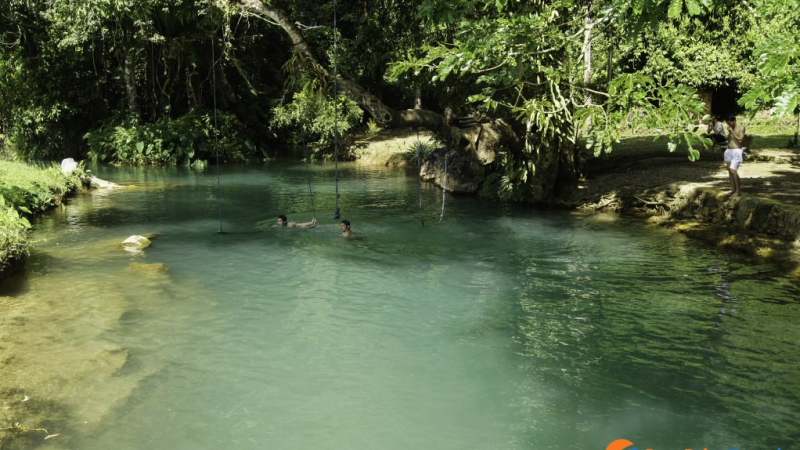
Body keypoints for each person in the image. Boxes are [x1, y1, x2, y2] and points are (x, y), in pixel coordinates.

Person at [723, 114, 746, 197]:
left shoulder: (741, 127)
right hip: (729, 150)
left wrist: (732, 132)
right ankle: (733, 189)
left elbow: (740, 139)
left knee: (733, 170)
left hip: (737, 151)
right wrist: (730, 133)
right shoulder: (730, 128)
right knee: (729, 171)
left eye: (729, 123)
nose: (728, 125)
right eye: (727, 123)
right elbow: (729, 139)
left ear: (734, 121)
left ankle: (738, 190)